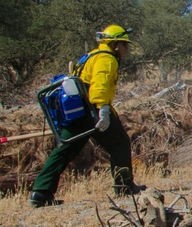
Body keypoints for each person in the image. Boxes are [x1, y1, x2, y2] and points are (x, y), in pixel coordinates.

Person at [30, 25, 143, 207]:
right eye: (124, 45)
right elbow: (100, 85)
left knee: (64, 150)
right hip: (93, 110)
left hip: (77, 111)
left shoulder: (91, 55)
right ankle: (124, 186)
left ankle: (40, 193)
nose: (125, 50)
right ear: (115, 45)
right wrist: (103, 110)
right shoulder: (107, 59)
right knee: (120, 143)